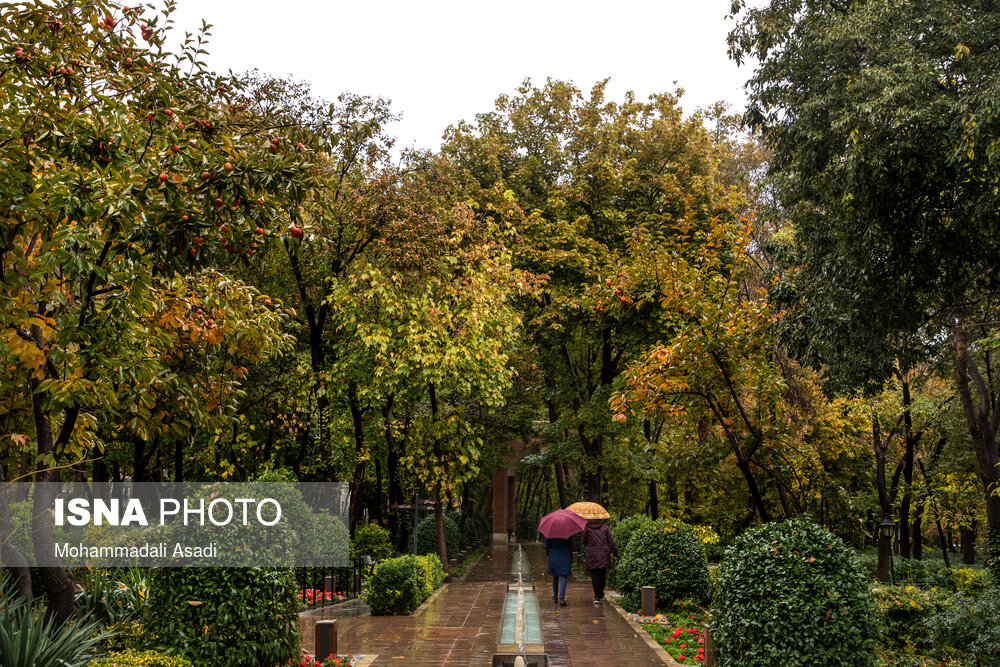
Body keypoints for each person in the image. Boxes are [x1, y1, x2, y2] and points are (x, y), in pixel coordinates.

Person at [583, 519, 617, 605]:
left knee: (595, 576)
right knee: (602, 575)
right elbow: (611, 542)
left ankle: (597, 596)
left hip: (592, 555)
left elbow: (583, 541)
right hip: (604, 555)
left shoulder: (587, 529)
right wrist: (615, 554)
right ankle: (601, 592)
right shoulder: (605, 528)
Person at [545, 535, 572, 606]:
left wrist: (548, 553)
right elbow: (571, 544)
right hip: (564, 555)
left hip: (554, 555)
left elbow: (547, 545)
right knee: (563, 576)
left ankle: (555, 596)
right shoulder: (568, 531)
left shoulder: (550, 532)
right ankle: (561, 598)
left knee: (555, 576)